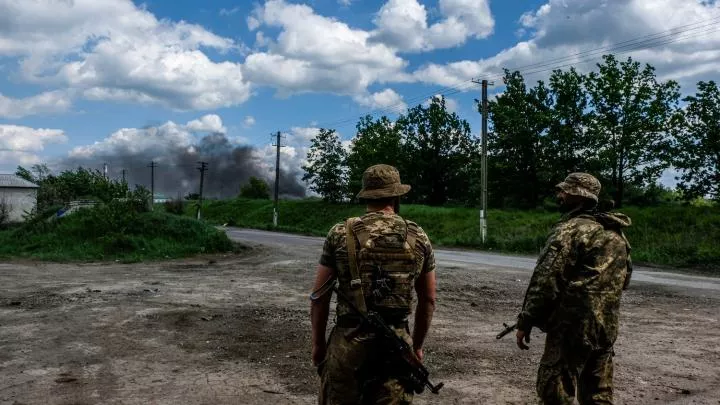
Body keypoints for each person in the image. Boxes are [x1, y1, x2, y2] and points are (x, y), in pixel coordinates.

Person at [309, 164, 437, 405]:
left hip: (348, 343)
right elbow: (428, 300)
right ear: (397, 195)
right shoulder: (418, 236)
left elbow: (319, 297)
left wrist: (317, 344)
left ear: (367, 194)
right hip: (396, 345)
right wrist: (417, 346)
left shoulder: (340, 233)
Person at [516, 172, 633, 405]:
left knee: (555, 394)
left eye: (564, 191)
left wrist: (526, 320)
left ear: (578, 196)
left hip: (572, 328)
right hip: (605, 327)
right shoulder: (615, 233)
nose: (559, 194)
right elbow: (625, 280)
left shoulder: (570, 231)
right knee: (598, 396)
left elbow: (546, 281)